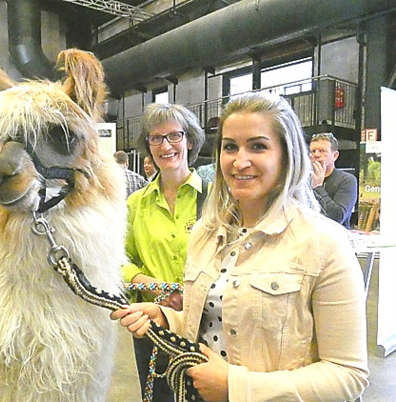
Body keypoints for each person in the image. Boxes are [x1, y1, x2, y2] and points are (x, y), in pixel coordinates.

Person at [112, 92, 369, 401]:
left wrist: (236, 387)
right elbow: (212, 321)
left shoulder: (326, 245)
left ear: (287, 155)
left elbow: (348, 376)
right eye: (230, 147)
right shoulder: (206, 235)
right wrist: (167, 318)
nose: (239, 160)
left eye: (257, 146)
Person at [123, 103, 206, 401]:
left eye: (174, 136)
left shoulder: (215, 200)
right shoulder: (134, 204)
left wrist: (191, 295)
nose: (165, 145)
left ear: (190, 141)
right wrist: (150, 285)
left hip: (205, 323)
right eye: (155, 138)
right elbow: (121, 260)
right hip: (152, 323)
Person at [310, 132, 358, 228]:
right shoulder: (303, 180)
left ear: (335, 156)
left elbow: (337, 217)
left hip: (336, 239)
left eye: (322, 151)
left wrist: (318, 187)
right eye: (313, 151)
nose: (316, 155)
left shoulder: (347, 180)